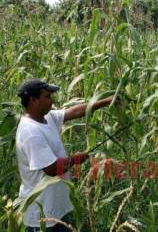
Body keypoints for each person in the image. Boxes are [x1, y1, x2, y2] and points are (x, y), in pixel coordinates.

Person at [16, 78, 114, 232]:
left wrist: (104, 101)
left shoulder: (46, 117)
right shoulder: (31, 133)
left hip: (56, 209)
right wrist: (75, 159)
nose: (52, 100)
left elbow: (74, 112)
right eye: (47, 97)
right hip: (43, 217)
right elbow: (52, 169)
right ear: (33, 100)